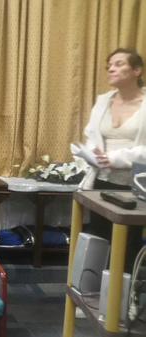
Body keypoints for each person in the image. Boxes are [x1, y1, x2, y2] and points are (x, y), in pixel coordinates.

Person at [80, 48, 145, 272]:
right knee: (99, 241)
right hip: (101, 183)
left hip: (135, 187)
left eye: (118, 64)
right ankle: (94, 297)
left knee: (129, 246)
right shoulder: (103, 101)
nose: (111, 68)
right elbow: (91, 135)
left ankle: (125, 302)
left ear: (136, 70)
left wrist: (115, 158)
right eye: (109, 64)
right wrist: (92, 154)